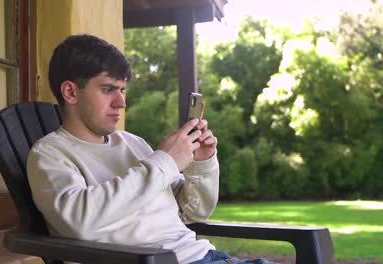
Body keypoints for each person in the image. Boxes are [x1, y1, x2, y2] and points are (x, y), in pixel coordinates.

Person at [27, 34, 275, 264]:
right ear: (70, 92)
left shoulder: (132, 143)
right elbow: (81, 222)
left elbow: (193, 213)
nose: (121, 102)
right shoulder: (50, 154)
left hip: (205, 255)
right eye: (108, 89)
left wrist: (201, 163)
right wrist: (165, 161)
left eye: (122, 90)